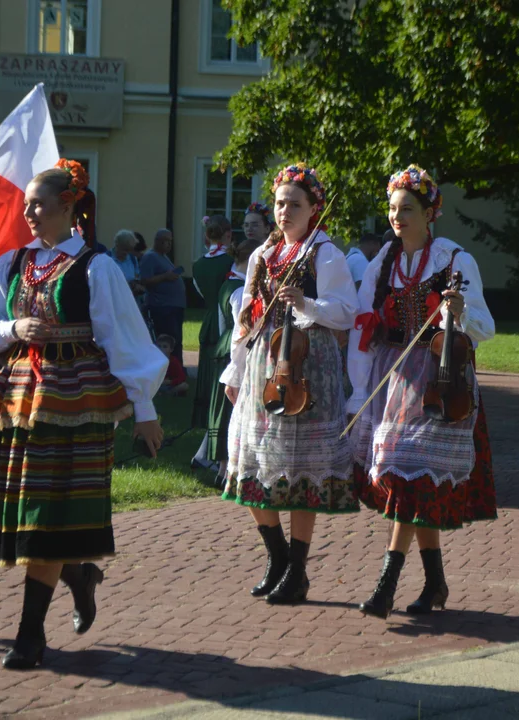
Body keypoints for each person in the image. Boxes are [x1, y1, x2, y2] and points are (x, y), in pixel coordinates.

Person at [0, 159, 167, 669]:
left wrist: (145, 410)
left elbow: (124, 340)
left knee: (45, 516)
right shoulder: (12, 263)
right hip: (17, 396)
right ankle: (76, 573)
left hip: (76, 399)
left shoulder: (97, 266)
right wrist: (12, 329)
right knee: (19, 513)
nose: (29, 212)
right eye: (26, 204)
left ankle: (29, 635)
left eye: (39, 204)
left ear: (69, 206)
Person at [348, 165, 497, 618]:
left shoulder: (454, 260)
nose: (397, 217)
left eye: (407, 209)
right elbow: (364, 326)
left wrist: (460, 311)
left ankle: (386, 585)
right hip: (396, 380)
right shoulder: (383, 264)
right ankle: (434, 583)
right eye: (392, 209)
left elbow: (485, 327)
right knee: (410, 478)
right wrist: (359, 390)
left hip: (441, 381)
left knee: (416, 479)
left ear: (430, 213)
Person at [221, 163, 358, 605]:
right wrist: (235, 371)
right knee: (250, 464)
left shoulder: (326, 253)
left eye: (294, 204)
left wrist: (307, 302)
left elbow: (345, 311)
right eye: (280, 204)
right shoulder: (262, 254)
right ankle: (276, 556)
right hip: (264, 363)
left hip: (308, 366)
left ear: (313, 208)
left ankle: (297, 570)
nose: (284, 212)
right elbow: (247, 322)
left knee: (300, 473)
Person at [206, 232, 263, 482]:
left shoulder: (228, 284)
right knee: (229, 410)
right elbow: (245, 325)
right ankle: (224, 466)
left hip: (224, 344)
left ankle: (221, 466)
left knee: (222, 409)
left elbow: (223, 322)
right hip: (236, 349)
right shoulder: (240, 291)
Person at [192, 216, 236, 431]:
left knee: (209, 373)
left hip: (208, 320)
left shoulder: (198, 264)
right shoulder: (230, 261)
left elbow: (200, 292)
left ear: (206, 235)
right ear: (227, 234)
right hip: (227, 321)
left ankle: (208, 422)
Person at [140, 228, 186, 363]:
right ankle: (168, 369)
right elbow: (145, 280)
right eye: (166, 241)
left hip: (174, 305)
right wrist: (165, 276)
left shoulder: (164, 257)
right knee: (168, 339)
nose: (169, 245)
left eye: (170, 241)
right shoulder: (150, 257)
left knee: (176, 340)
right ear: (158, 241)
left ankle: (177, 369)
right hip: (162, 306)